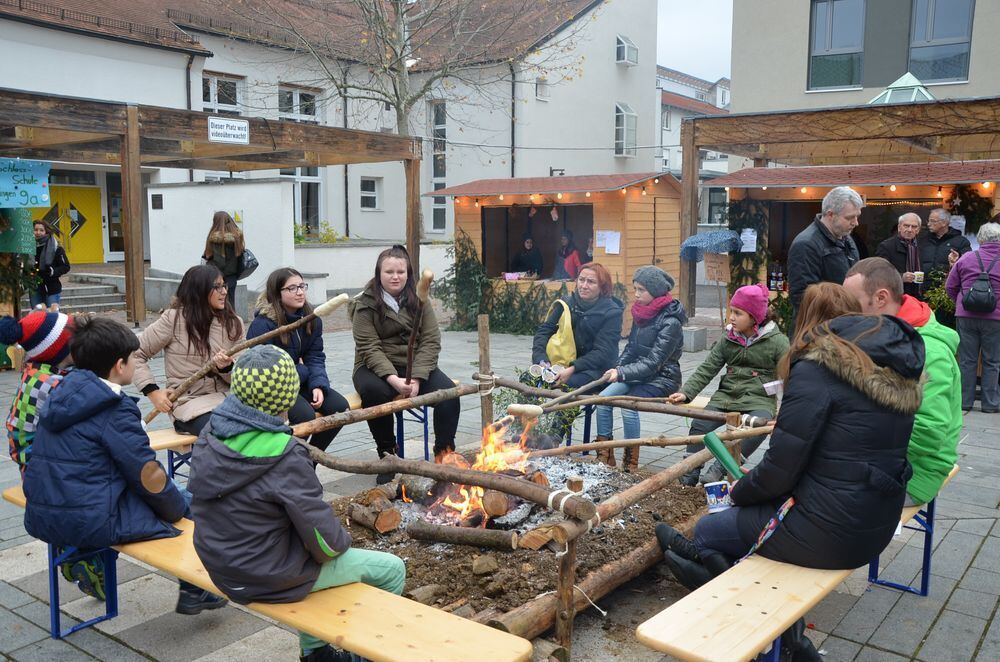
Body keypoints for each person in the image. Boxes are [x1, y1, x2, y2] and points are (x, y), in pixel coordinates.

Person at [657, 283, 922, 661]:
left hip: (830, 531)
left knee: (710, 528)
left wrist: (739, 491)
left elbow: (782, 467)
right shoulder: (890, 365)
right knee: (735, 527)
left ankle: (772, 632)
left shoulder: (816, 368)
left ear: (807, 320)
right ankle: (709, 569)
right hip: (875, 521)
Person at [188, 345, 405, 662]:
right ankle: (367, 653)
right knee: (391, 569)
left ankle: (316, 654)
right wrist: (340, 544)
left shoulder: (211, 432)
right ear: (287, 397)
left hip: (221, 564)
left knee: (306, 556)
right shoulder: (284, 453)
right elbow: (324, 541)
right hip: (264, 574)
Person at [24, 316, 227, 614]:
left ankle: (81, 556)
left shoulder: (63, 393)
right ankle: (196, 587)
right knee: (194, 506)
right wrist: (175, 509)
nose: (136, 362)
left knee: (177, 497)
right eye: (134, 358)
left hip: (46, 507)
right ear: (120, 365)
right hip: (89, 516)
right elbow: (148, 476)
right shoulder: (115, 410)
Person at [844, 257, 962, 505]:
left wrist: (853, 441)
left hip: (916, 472)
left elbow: (927, 433)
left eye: (852, 305)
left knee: (824, 498)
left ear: (881, 298)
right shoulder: (884, 333)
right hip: (886, 460)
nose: (846, 313)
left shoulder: (929, 351)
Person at [350, 245, 459, 475]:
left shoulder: (419, 299)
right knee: (374, 393)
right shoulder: (365, 303)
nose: (395, 276)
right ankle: (388, 456)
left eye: (400, 271)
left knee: (449, 394)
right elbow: (369, 347)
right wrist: (394, 380)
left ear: (408, 273)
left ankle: (444, 456)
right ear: (379, 274)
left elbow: (430, 339)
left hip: (414, 366)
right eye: (389, 272)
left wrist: (417, 377)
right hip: (373, 366)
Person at [668, 283, 789, 486]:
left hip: (758, 398)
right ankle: (689, 471)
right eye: (731, 311)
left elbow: (790, 375)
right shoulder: (728, 338)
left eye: (738, 313)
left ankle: (720, 468)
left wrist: (783, 406)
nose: (731, 317)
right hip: (726, 396)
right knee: (700, 424)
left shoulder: (777, 341)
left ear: (754, 318)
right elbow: (708, 367)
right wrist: (686, 393)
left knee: (757, 429)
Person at [246, 268, 350, 451]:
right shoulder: (263, 324)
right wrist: (302, 371)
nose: (300, 292)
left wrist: (317, 384)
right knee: (305, 416)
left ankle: (311, 460)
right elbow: (264, 370)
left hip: (299, 381)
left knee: (339, 408)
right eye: (292, 288)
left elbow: (315, 355)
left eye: (302, 286)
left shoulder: (311, 319)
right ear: (277, 294)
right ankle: (294, 463)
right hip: (275, 389)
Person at [593, 266, 686, 471]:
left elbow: (654, 362)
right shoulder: (641, 314)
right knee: (602, 400)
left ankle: (630, 463)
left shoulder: (671, 322)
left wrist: (623, 373)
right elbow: (631, 348)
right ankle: (604, 457)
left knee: (628, 405)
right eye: (635, 288)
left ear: (655, 292)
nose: (636, 294)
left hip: (662, 378)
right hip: (638, 374)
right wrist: (618, 367)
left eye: (641, 290)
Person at [134, 265, 245, 436]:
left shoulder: (233, 323)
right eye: (217, 287)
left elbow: (244, 373)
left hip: (230, 398)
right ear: (198, 290)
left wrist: (226, 368)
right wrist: (153, 392)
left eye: (224, 285)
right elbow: (135, 353)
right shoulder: (173, 319)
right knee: (225, 432)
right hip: (189, 402)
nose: (223, 292)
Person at [3, 310, 75, 474]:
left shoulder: (37, 371)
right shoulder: (51, 383)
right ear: (60, 350)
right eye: (75, 340)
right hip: (40, 470)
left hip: (36, 461)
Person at [532, 262, 624, 388]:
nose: (584, 286)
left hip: (596, 369)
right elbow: (544, 331)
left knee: (567, 385)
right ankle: (528, 408)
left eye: (591, 282)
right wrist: (541, 359)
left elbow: (603, 352)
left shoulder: (612, 313)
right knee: (529, 379)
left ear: (602, 287)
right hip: (563, 363)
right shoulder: (566, 303)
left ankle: (559, 408)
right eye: (581, 280)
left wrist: (573, 368)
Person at [787, 186, 861, 336]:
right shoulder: (806, 244)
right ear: (830, 214)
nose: (856, 222)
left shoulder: (846, 238)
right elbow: (802, 297)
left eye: (857, 216)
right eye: (849, 218)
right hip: (816, 333)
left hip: (843, 326)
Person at [946, 221, 1000, 413]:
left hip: (966, 316)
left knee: (967, 360)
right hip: (996, 318)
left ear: (980, 239)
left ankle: (964, 401)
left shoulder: (967, 258)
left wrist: (961, 302)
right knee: (992, 361)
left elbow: (950, 286)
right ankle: (990, 404)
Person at [875, 213, 924, 299]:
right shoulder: (886, 246)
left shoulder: (923, 246)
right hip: (896, 297)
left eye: (914, 227)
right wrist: (901, 277)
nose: (909, 229)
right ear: (899, 227)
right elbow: (880, 273)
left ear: (918, 230)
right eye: (906, 225)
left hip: (919, 297)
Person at [203, 211, 245, 308]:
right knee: (230, 305)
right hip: (232, 277)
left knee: (217, 306)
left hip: (217, 278)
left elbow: (220, 262)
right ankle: (233, 323)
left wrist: (209, 260)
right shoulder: (237, 237)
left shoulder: (216, 240)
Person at [920, 207, 971, 288]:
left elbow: (968, 265)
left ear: (944, 223)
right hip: (923, 288)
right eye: (928, 221)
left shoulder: (961, 242)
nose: (928, 224)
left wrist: (956, 261)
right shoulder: (923, 240)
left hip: (948, 288)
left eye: (932, 221)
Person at [31, 221, 70, 311]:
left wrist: (53, 271)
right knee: (36, 316)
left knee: (52, 316)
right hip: (35, 287)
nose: (38, 232)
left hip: (52, 287)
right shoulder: (28, 248)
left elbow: (66, 266)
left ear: (47, 232)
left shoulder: (56, 248)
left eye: (41, 230)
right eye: (35, 230)